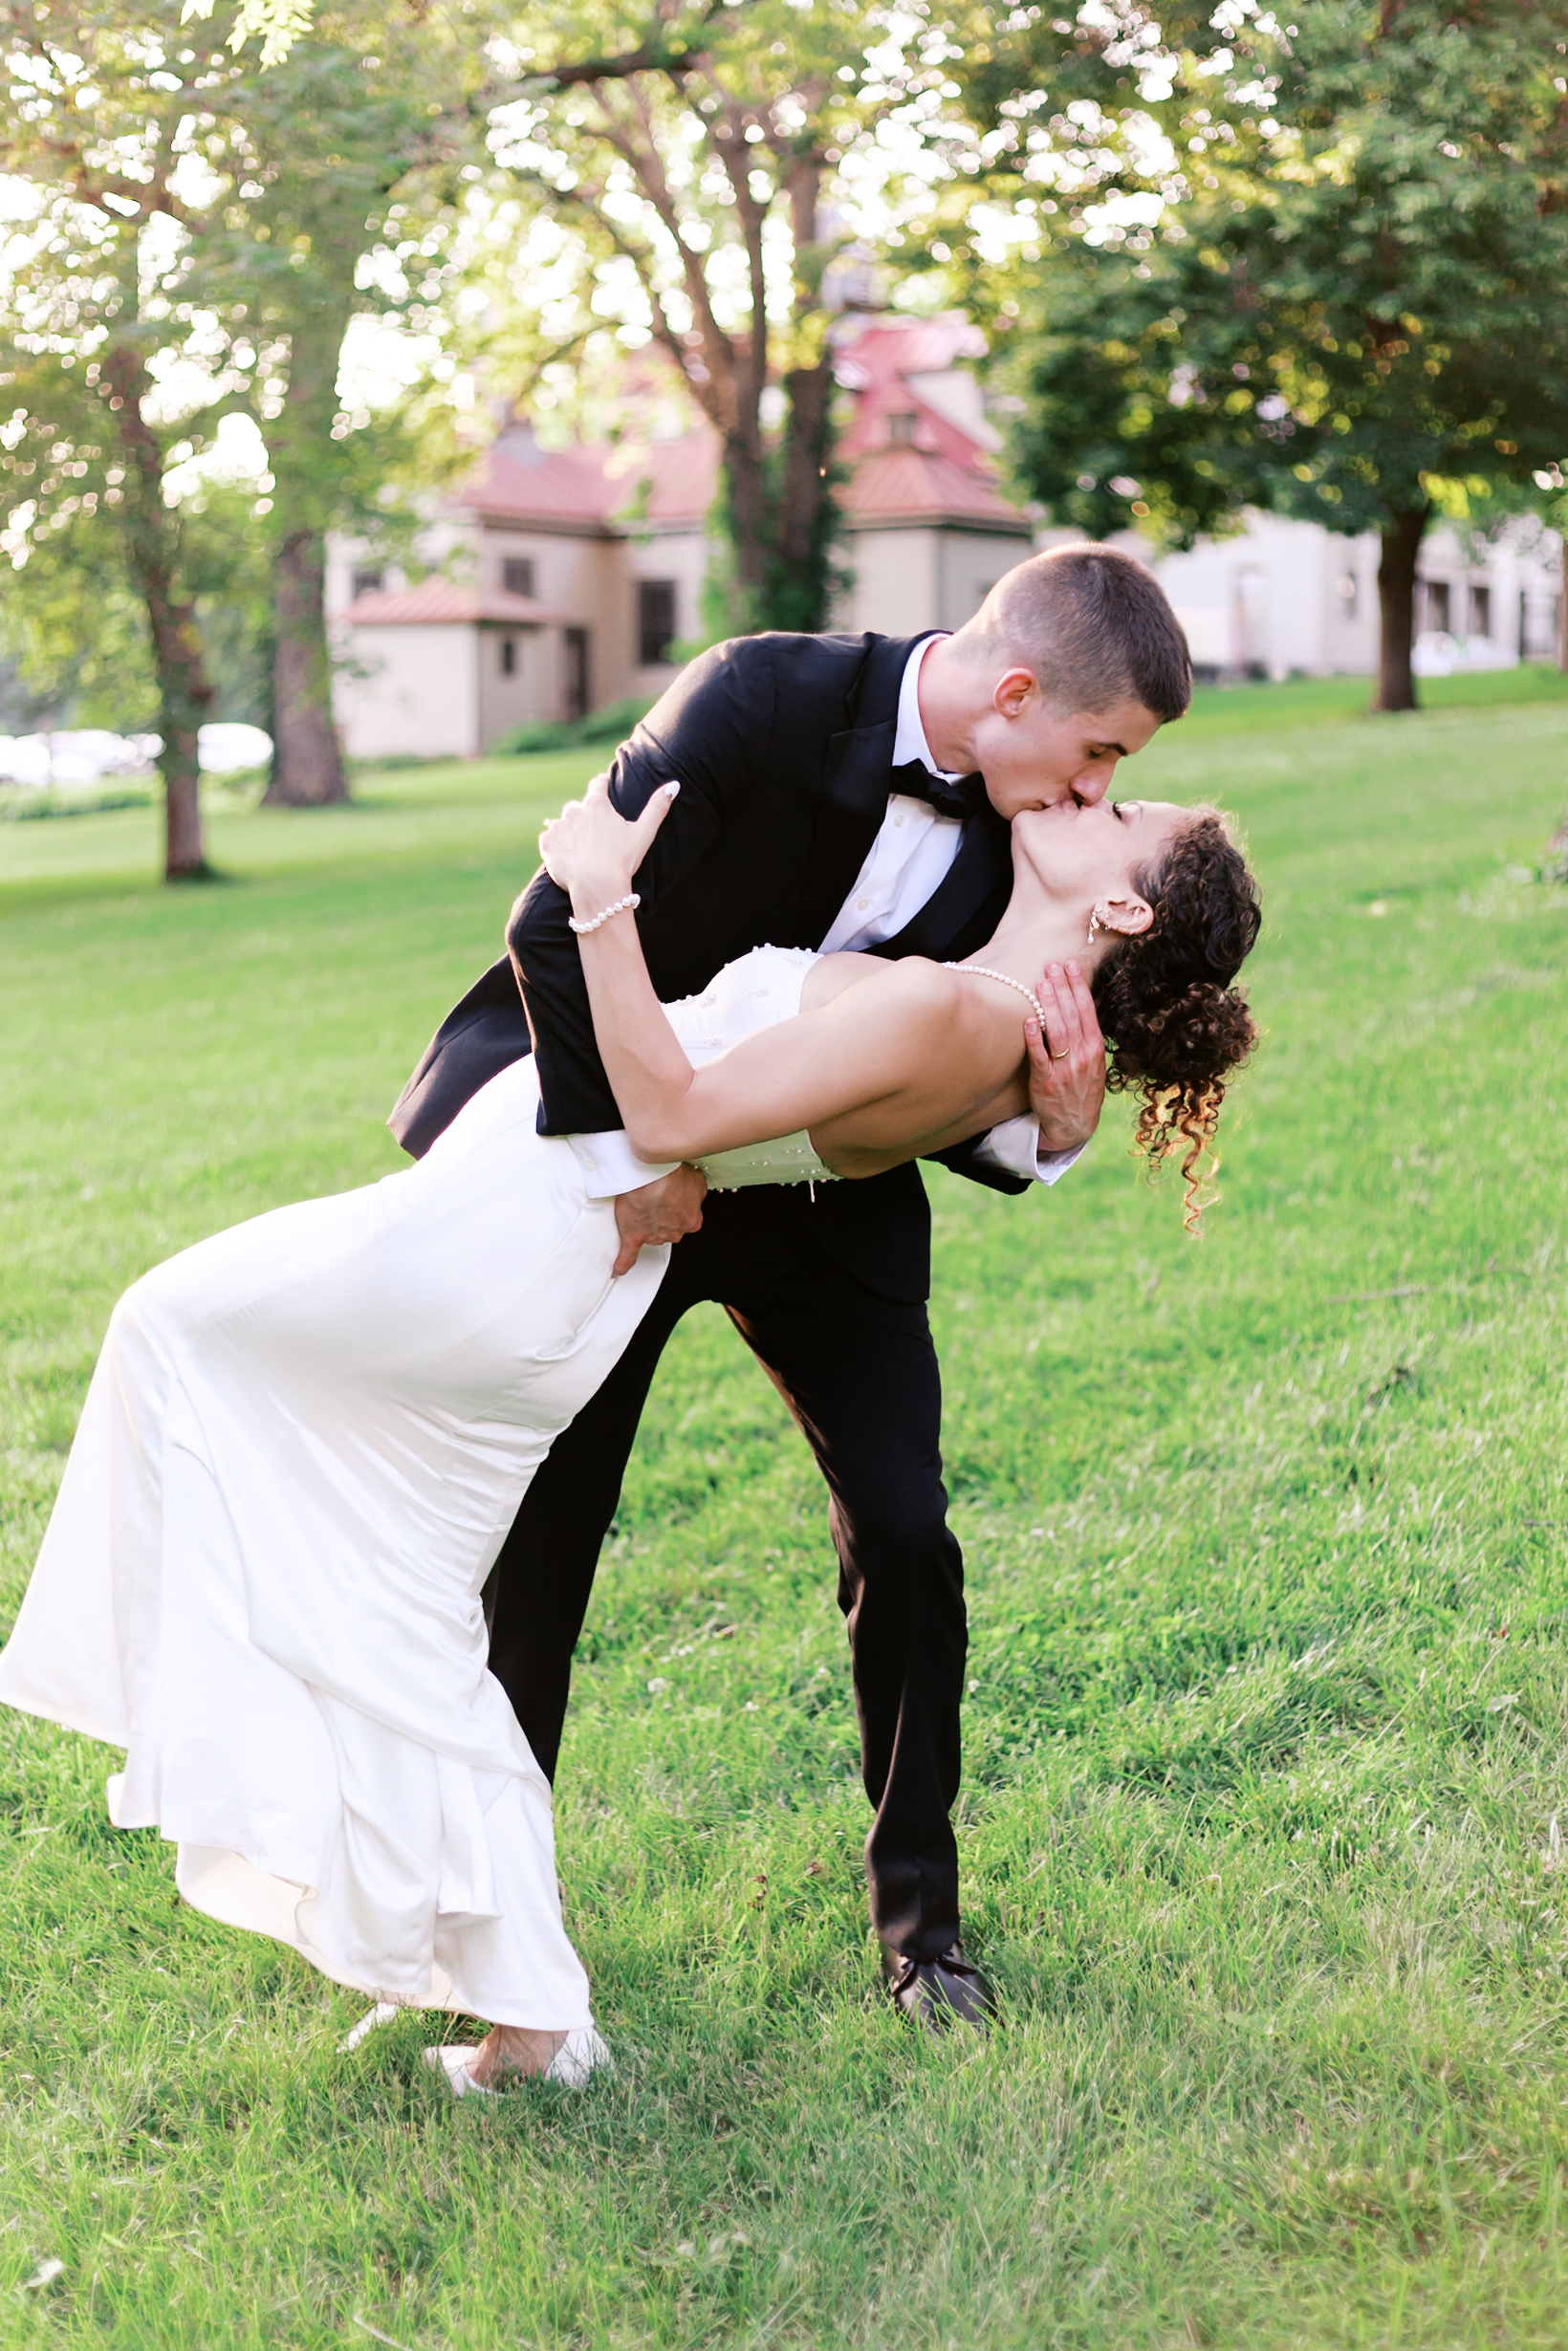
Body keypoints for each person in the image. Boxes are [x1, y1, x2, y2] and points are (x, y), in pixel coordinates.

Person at [0, 743, 1260, 2096]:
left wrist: (601, 894)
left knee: (181, 1336)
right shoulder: (949, 939)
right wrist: (1042, 1112)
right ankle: (499, 1991)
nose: (1092, 791)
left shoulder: (964, 1012)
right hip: (544, 1218)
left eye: (1123, 808)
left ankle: (501, 1959)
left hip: (549, 1231)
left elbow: (672, 1108)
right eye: (1104, 767)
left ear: (1124, 909)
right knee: (413, 1590)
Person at [394, 546, 1195, 2034]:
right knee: (539, 1553)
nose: (1092, 796)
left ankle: (923, 1932)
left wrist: (1056, 1136)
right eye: (1096, 758)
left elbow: (938, 1077)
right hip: (619, 1169)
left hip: (824, 1204)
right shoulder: (762, 697)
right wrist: (619, 1162)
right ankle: (484, 1947)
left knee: (906, 1529)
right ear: (1016, 692)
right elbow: (549, 924)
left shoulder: (1021, 843)